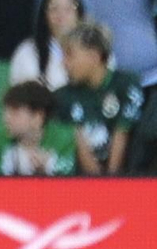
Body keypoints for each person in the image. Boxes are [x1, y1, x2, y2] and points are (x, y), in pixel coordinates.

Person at [56, 21, 144, 175]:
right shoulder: (62, 96)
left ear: (94, 56)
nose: (63, 63)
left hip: (130, 179)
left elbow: (122, 133)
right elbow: (78, 141)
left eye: (70, 55)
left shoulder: (127, 84)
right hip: (84, 184)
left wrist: (111, 181)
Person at [9, 0, 85, 91]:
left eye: (68, 8)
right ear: (44, 15)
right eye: (54, 8)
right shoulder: (26, 52)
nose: (61, 14)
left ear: (79, 14)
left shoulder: (95, 49)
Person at [0, 80, 77, 176]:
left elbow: (69, 169)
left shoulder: (64, 138)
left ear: (37, 117)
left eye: (15, 113)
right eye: (6, 112)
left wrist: (49, 166)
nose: (6, 119)